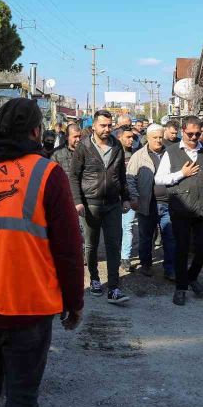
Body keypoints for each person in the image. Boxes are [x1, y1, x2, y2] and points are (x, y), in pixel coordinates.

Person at [0, 98, 84, 407]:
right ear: (37, 132)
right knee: (22, 396)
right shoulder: (47, 173)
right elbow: (68, 248)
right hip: (25, 308)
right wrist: (74, 301)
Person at [70, 110, 131, 304]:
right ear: (94, 126)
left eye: (109, 125)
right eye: (103, 125)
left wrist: (126, 197)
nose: (106, 129)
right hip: (90, 204)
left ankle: (114, 288)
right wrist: (77, 201)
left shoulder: (117, 146)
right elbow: (73, 175)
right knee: (91, 245)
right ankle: (95, 279)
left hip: (113, 203)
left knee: (114, 244)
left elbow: (122, 175)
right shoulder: (84, 147)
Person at [155, 116, 203, 306]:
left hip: (202, 208)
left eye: (198, 134)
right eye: (190, 134)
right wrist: (182, 174)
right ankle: (181, 288)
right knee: (181, 249)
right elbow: (159, 179)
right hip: (180, 208)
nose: (194, 137)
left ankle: (192, 277)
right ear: (182, 131)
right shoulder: (171, 152)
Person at [127, 123, 176, 281]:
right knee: (146, 237)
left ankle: (170, 268)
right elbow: (130, 179)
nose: (159, 140)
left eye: (161, 137)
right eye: (155, 137)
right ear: (147, 138)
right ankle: (146, 264)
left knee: (169, 237)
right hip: (146, 204)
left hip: (167, 203)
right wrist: (134, 197)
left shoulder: (171, 153)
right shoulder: (138, 156)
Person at [115, 128, 138, 271]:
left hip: (129, 196)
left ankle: (125, 257)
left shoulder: (135, 154)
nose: (131, 140)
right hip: (113, 196)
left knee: (127, 227)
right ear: (119, 137)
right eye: (128, 137)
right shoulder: (112, 153)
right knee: (115, 228)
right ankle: (115, 254)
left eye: (133, 137)